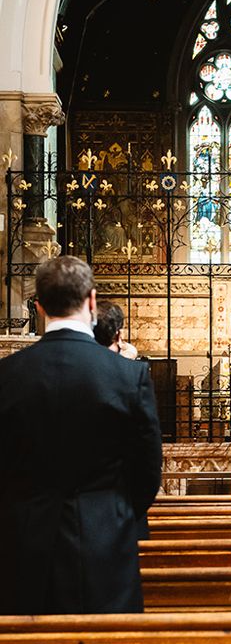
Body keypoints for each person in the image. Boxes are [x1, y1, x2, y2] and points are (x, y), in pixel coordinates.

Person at [0, 255, 162, 615]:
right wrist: (112, 510)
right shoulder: (127, 376)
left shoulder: (7, 375)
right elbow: (148, 472)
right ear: (91, 300)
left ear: (39, 307)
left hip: (22, 544)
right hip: (105, 543)